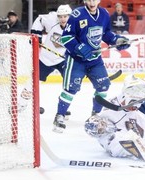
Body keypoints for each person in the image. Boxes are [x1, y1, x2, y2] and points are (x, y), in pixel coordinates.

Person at [53, 0, 131, 133]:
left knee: (103, 87)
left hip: (95, 60)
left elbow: (106, 34)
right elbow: (66, 38)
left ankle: (95, 115)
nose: (92, 2)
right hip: (76, 60)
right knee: (71, 89)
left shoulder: (105, 14)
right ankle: (60, 115)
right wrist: (79, 48)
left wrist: (117, 40)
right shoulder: (77, 14)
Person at [16, 5, 72, 115]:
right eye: (60, 16)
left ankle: (63, 108)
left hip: (62, 59)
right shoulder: (52, 19)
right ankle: (21, 104)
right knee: (32, 82)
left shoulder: (75, 24)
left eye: (65, 16)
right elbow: (40, 19)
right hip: (45, 59)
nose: (62, 19)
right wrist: (37, 36)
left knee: (70, 84)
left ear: (70, 16)